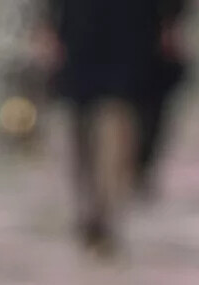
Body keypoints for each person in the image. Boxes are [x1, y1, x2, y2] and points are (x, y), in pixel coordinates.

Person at [46, 0, 186, 250]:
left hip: (121, 22)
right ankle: (99, 204)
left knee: (109, 113)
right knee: (95, 115)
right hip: (99, 21)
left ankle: (102, 206)